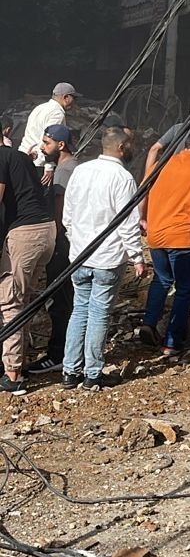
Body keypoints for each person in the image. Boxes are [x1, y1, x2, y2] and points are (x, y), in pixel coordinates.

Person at [62, 126, 145, 391]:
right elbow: (127, 223)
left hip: (79, 256)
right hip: (107, 259)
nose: (133, 148)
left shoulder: (81, 171)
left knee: (79, 310)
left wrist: (76, 240)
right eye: (130, 144)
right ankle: (93, 374)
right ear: (121, 147)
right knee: (98, 314)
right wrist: (137, 256)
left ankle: (70, 370)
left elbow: (68, 215)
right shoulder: (123, 178)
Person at [140, 130, 190, 358]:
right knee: (185, 289)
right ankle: (172, 342)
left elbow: (142, 193)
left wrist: (143, 218)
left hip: (156, 235)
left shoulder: (160, 164)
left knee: (161, 279)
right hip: (184, 237)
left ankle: (149, 323)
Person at [0, 144, 57, 393]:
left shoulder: (1, 158)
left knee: (10, 302)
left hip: (24, 234)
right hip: (46, 230)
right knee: (23, 301)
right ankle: (18, 365)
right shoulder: (19, 157)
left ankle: (12, 375)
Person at [28, 125, 78, 376]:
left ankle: (59, 353)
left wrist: (54, 238)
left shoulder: (66, 171)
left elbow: (60, 208)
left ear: (61, 145)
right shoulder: (66, 167)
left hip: (62, 243)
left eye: (47, 143)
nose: (42, 146)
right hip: (67, 241)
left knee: (60, 299)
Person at [19, 82, 79, 164]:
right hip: (39, 162)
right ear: (66, 97)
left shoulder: (40, 108)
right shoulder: (57, 113)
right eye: (74, 98)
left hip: (24, 155)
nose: (74, 102)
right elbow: (50, 141)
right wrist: (49, 166)